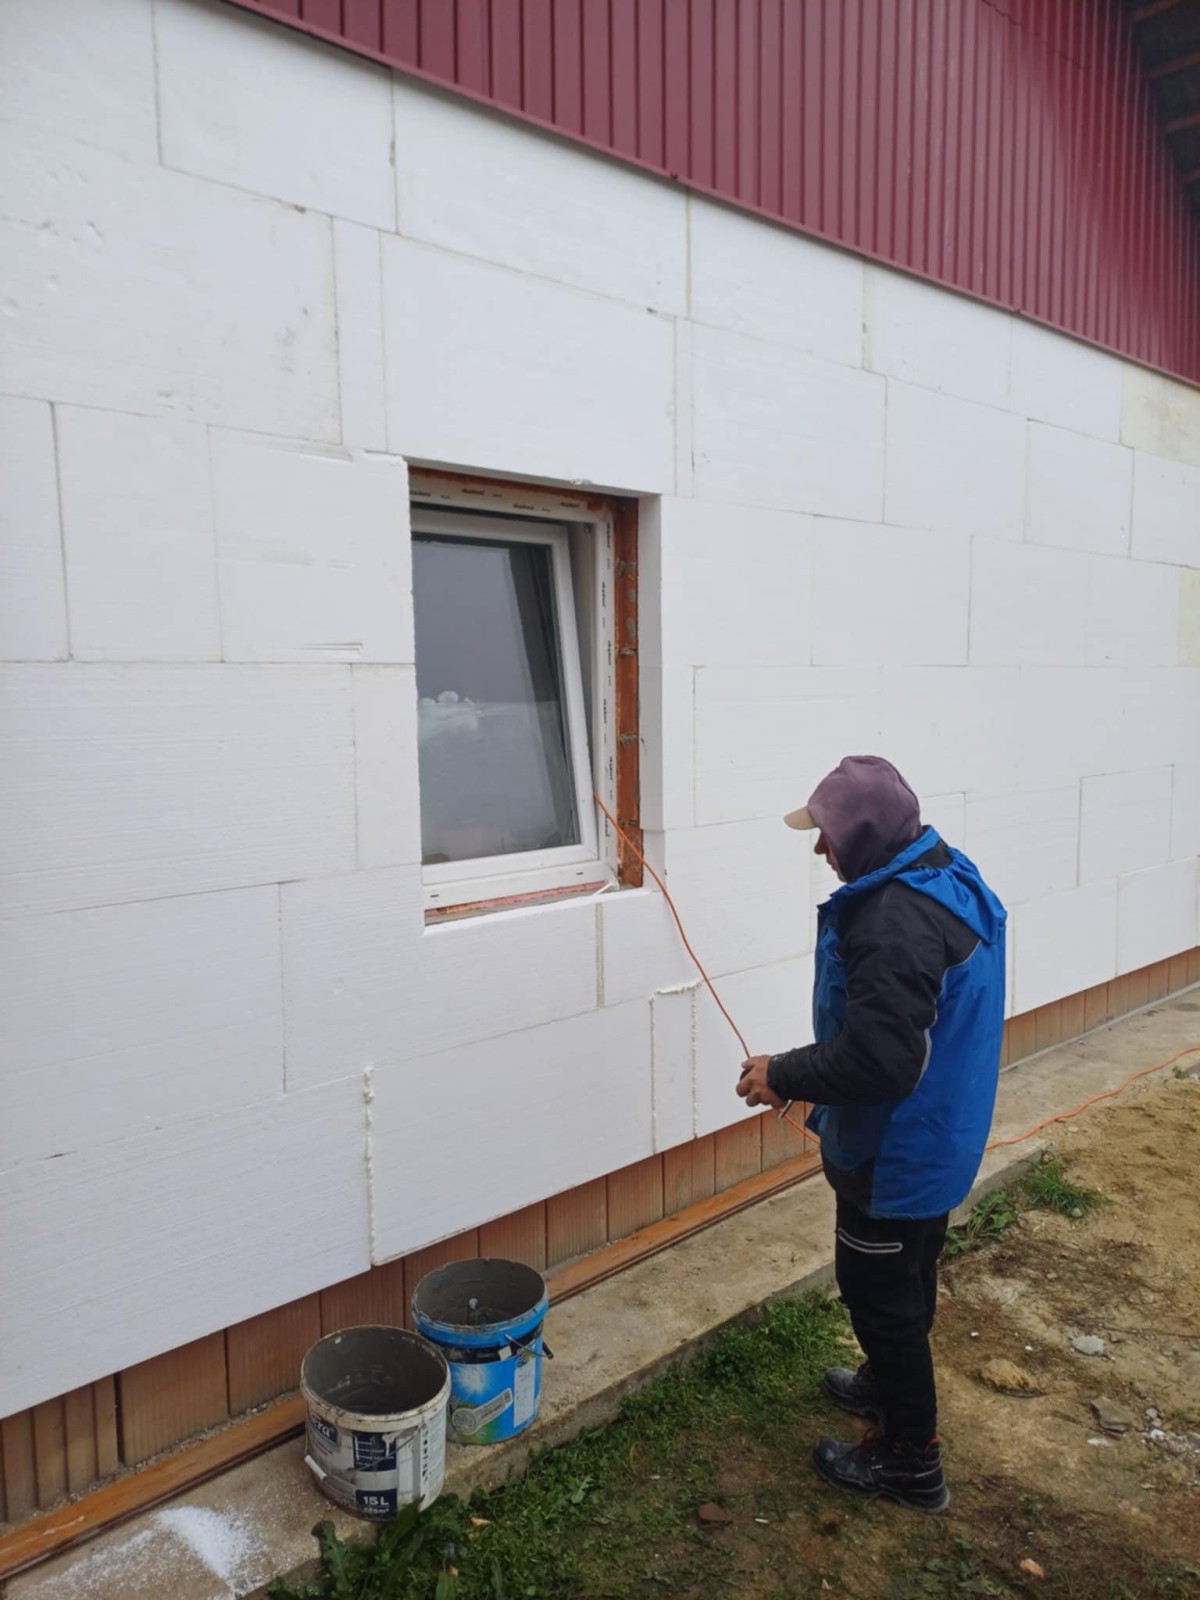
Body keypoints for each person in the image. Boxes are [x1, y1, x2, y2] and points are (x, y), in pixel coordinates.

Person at [737, 755, 1006, 1513]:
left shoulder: (894, 921)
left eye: (828, 833)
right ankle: (885, 1385)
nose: (820, 848)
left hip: (897, 1153)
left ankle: (910, 1460)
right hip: (940, 1134)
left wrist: (783, 1073)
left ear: (862, 835)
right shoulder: (941, 872)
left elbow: (879, 1061)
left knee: (879, 1296)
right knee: (908, 1275)